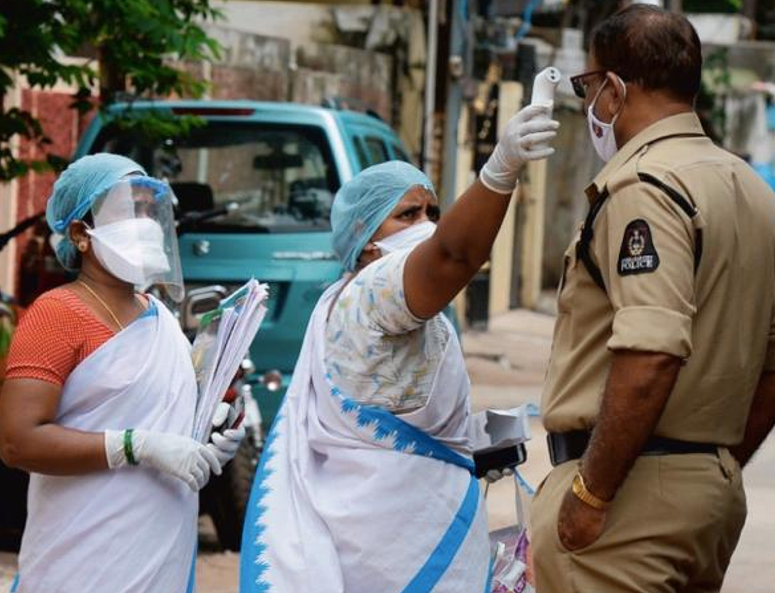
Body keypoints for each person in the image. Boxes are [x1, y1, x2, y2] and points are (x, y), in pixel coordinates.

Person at [529, 6, 775, 593]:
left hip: (625, 503)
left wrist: (591, 492)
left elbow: (651, 353)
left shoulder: (643, 187)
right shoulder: (751, 189)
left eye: (586, 87)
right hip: (703, 497)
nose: (588, 106)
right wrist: (718, 464)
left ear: (613, 88)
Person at [238, 105, 559, 592]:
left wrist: (467, 436)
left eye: (433, 212)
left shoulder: (368, 297)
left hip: (391, 533)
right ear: (366, 240)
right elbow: (454, 255)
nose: (427, 225)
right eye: (407, 215)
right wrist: (500, 169)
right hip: (393, 546)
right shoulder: (376, 287)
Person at [0, 153, 246, 593]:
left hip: (160, 554)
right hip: (81, 557)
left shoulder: (161, 317)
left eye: (150, 209)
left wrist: (212, 435)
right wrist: (135, 446)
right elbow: (18, 442)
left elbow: (168, 417)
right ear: (81, 233)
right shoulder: (58, 313)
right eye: (128, 208)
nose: (145, 221)